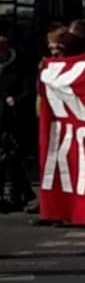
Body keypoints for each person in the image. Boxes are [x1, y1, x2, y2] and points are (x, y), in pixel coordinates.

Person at [0, 21, 35, 213]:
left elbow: (28, 89)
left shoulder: (20, 62)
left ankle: (16, 192)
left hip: (14, 117)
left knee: (12, 155)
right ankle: (22, 192)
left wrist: (16, 99)